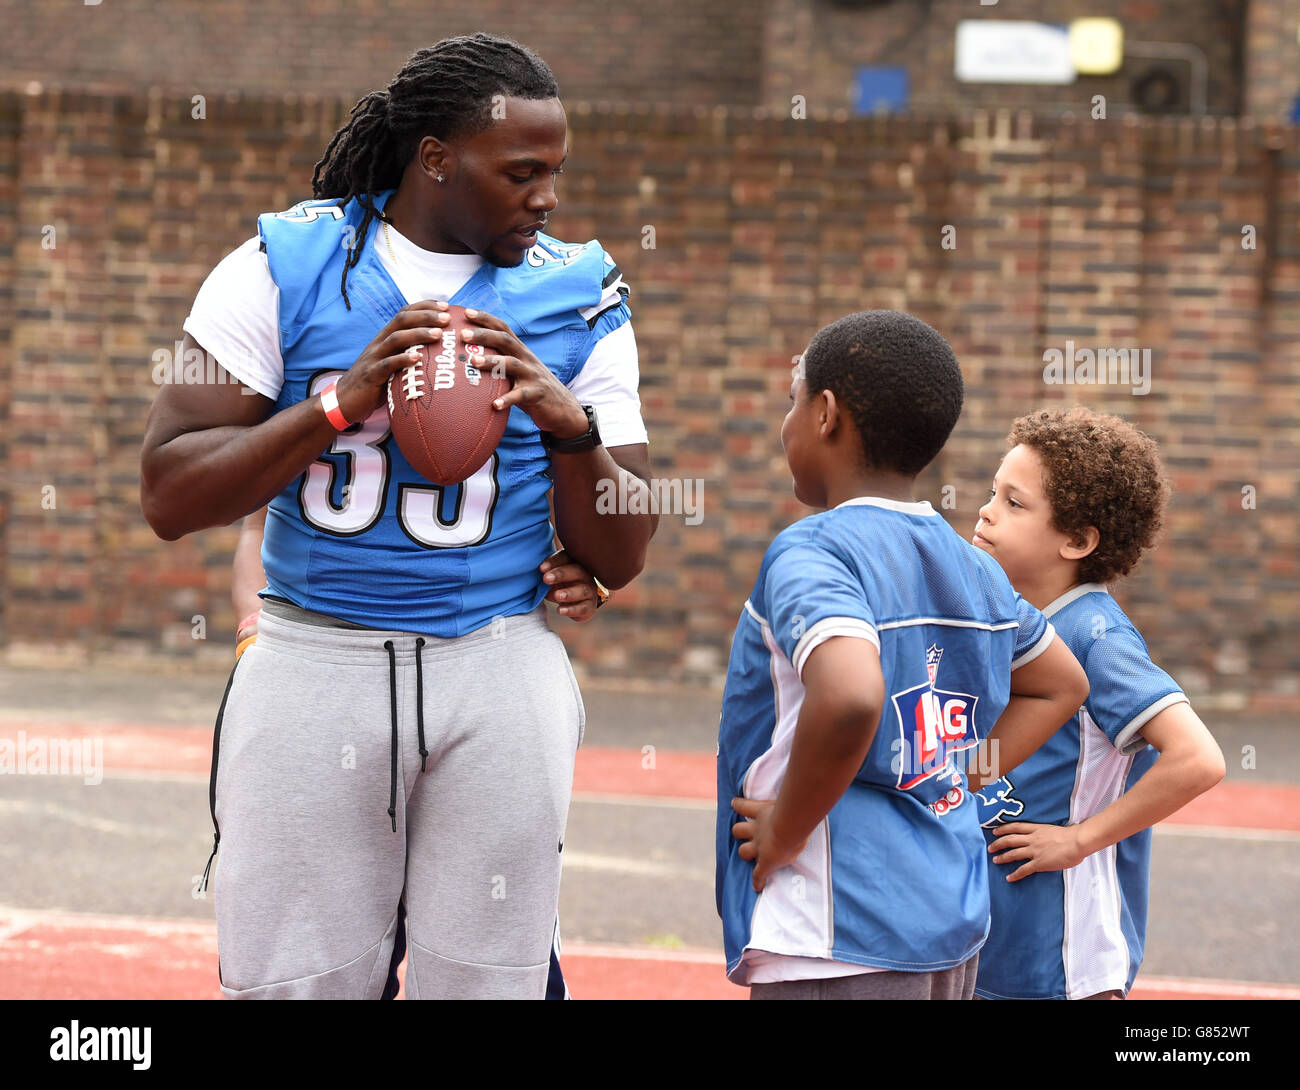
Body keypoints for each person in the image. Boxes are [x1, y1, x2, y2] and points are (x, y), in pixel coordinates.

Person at [141, 34, 657, 999]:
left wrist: (567, 426)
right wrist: (334, 407)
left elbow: (623, 549)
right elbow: (169, 492)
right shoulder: (281, 264)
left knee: (488, 980)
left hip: (495, 657)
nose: (547, 196)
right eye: (522, 172)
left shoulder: (577, 290)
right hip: (314, 656)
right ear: (435, 159)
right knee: (297, 976)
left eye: (557, 172)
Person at [715, 310, 1090, 999]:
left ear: (825, 414)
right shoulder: (972, 568)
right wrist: (959, 775)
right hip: (946, 919)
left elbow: (851, 695)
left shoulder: (814, 550)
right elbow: (1059, 685)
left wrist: (787, 831)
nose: (785, 423)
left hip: (837, 932)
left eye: (791, 402)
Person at [231, 507, 602, 1000]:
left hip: (488, 665)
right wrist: (261, 635)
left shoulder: (531, 433)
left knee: (489, 971)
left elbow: (607, 508)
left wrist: (594, 569)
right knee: (306, 971)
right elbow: (256, 524)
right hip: (323, 665)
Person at [970, 406, 1225, 1000]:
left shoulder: (1095, 638)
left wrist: (1078, 840)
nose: (985, 510)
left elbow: (1200, 759)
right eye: (992, 492)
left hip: (1062, 963)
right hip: (984, 942)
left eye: (1014, 502)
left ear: (1078, 540)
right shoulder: (1000, 619)